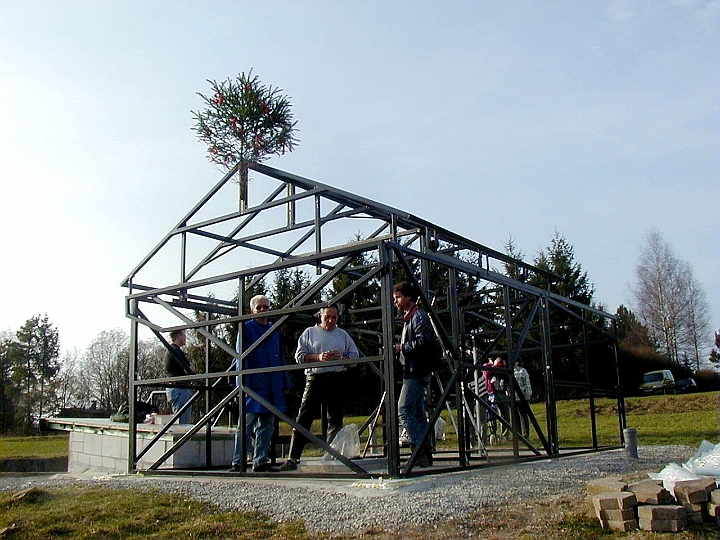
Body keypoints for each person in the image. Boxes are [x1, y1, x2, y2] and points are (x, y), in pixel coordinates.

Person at [279, 304, 359, 471]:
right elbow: (299, 356)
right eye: (327, 317)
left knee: (335, 419)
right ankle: (293, 457)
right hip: (315, 378)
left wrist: (342, 358)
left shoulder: (342, 334)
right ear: (320, 317)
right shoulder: (309, 333)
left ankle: (332, 456)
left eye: (334, 318)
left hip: (336, 378)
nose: (330, 321)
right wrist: (318, 357)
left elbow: (355, 356)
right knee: (304, 417)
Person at [230, 295, 290, 473]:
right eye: (260, 308)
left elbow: (281, 356)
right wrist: (242, 383)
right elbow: (241, 357)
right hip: (253, 384)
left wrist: (285, 380)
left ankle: (260, 461)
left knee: (267, 425)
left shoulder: (274, 330)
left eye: (266, 307)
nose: (264, 311)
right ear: (252, 311)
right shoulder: (247, 329)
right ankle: (238, 461)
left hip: (272, 385)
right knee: (246, 425)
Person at [393, 281, 439, 468]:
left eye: (398, 297)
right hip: (415, 370)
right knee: (418, 413)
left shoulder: (417, 317)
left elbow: (424, 342)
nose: (395, 301)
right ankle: (424, 453)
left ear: (408, 297)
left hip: (416, 371)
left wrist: (402, 347)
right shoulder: (411, 317)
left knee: (404, 409)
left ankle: (418, 450)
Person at [164, 329, 195, 424]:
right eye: (184, 335)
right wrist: (192, 366)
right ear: (178, 336)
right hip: (180, 389)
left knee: (181, 422)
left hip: (176, 389)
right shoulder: (175, 351)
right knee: (183, 424)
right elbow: (189, 369)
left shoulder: (170, 351)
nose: (185, 338)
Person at [513, 359, 532, 437]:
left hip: (521, 397)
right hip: (512, 397)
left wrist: (528, 395)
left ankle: (525, 433)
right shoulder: (510, 371)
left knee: (523, 415)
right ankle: (518, 434)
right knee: (515, 416)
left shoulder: (522, 371)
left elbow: (527, 383)